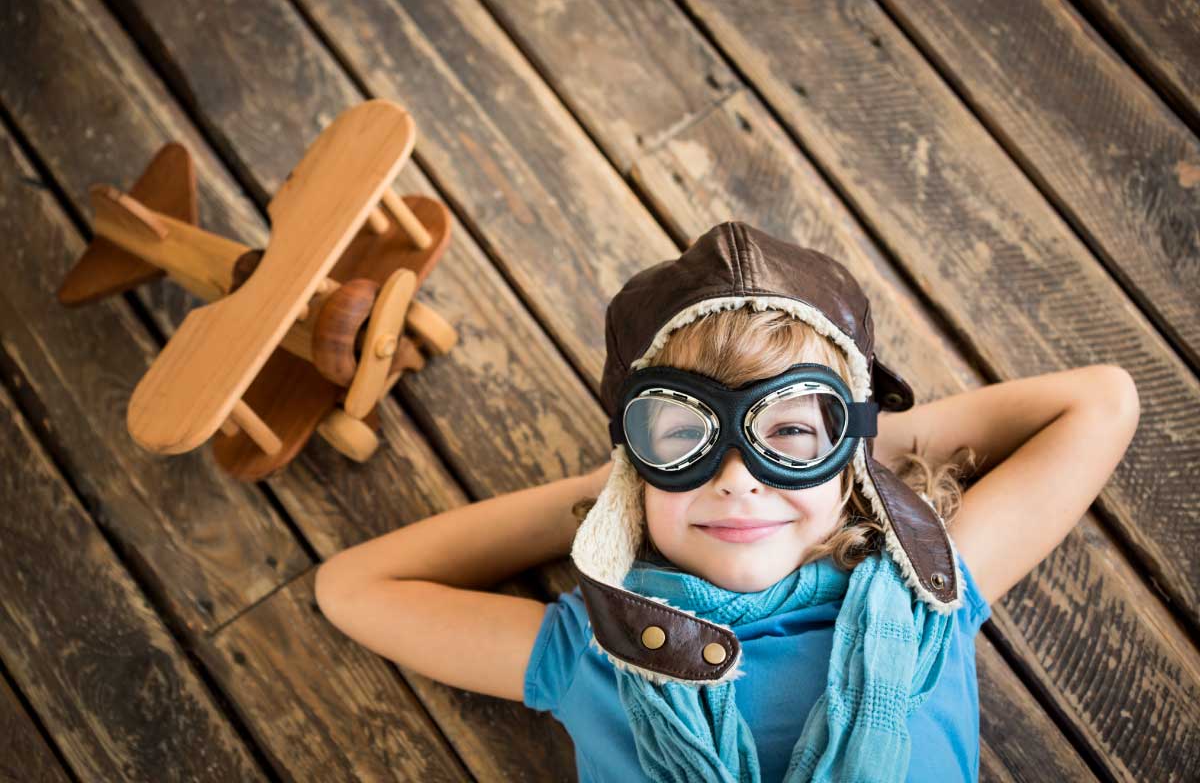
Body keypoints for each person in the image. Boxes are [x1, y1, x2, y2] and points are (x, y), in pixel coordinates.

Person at [314, 222, 1140, 782]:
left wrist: (849, 443)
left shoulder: (928, 596)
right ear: (634, 468)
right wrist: (616, 486)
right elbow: (350, 588)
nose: (739, 477)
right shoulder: (591, 649)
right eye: (681, 438)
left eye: (792, 432)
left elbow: (1102, 402)